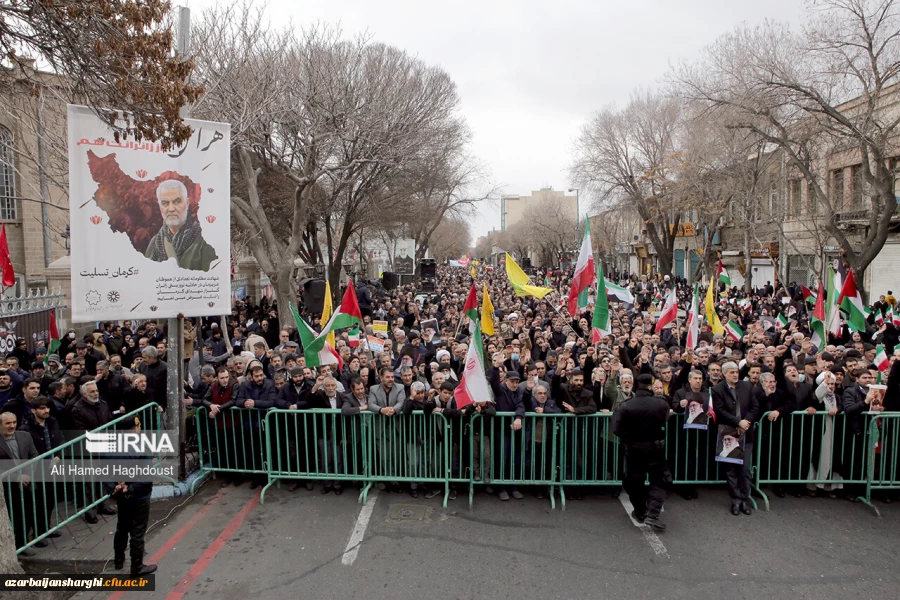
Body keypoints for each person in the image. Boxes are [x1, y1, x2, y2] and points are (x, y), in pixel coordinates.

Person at [611, 373, 670, 531]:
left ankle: (641, 511)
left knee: (635, 481)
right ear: (650, 386)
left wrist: (628, 438)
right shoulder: (661, 404)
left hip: (634, 448)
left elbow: (616, 429)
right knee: (660, 479)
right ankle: (652, 513)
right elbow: (665, 419)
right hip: (655, 448)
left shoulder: (626, 405)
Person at [107, 416, 157, 576]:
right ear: (136, 427)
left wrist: (114, 487)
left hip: (121, 494)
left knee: (122, 527)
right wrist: (130, 487)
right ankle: (137, 566)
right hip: (138, 494)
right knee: (137, 531)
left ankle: (118, 561)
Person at [711, 362, 759, 516]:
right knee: (730, 470)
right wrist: (737, 422)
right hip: (728, 433)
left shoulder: (747, 386)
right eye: (731, 372)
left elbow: (755, 407)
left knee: (745, 469)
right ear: (724, 374)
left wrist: (746, 422)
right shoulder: (717, 389)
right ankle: (735, 501)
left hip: (746, 434)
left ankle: (745, 500)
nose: (735, 375)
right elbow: (719, 410)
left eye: (736, 372)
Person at [144, 179, 218, 271]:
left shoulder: (205, 241)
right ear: (160, 207)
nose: (171, 209)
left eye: (177, 201)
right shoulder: (155, 243)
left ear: (187, 203)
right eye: (165, 203)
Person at [0, 411, 39, 554]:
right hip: (6, 487)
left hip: (26, 483)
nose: (12, 426)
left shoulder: (25, 436)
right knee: (13, 516)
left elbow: (34, 456)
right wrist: (16, 477)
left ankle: (23, 543)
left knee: (28, 513)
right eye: (8, 423)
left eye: (14, 422)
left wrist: (27, 474)